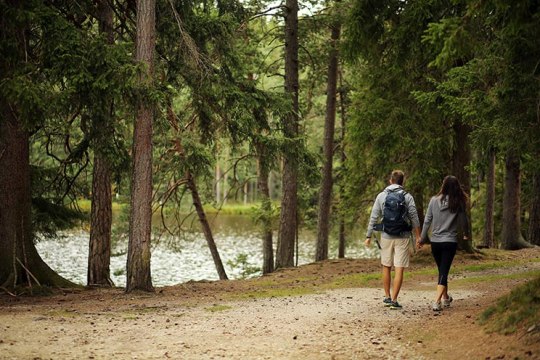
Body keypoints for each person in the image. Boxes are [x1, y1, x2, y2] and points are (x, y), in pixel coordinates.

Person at [365, 170, 421, 310]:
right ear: (403, 181)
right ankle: (395, 300)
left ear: (391, 180)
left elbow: (374, 216)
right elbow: (414, 217)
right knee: (399, 268)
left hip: (386, 235)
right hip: (403, 236)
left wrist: (368, 236)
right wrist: (418, 236)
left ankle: (387, 297)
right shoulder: (407, 197)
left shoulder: (381, 196)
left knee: (386, 266)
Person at [418, 175, 471, 311]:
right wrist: (465, 234)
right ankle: (437, 301)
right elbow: (463, 219)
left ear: (444, 186)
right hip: (449, 242)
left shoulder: (433, 200)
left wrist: (422, 238)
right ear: (456, 187)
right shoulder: (457, 201)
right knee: (443, 271)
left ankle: (446, 298)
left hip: (435, 242)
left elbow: (427, 220)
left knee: (442, 270)